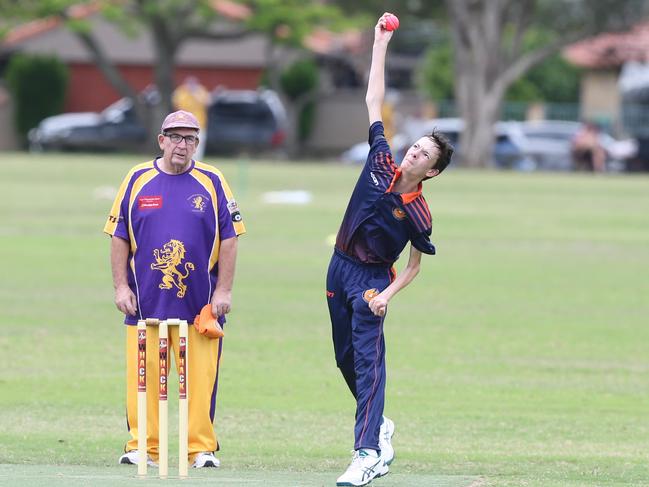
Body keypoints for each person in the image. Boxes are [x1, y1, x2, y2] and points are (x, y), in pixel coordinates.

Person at [326, 13, 453, 487]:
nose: (414, 153)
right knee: (344, 360)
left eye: (424, 155)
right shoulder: (380, 160)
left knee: (368, 359)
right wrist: (380, 44)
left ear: (432, 171)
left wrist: (387, 296)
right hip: (337, 268)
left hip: (372, 281)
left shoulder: (420, 212)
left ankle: (367, 454)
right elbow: (373, 98)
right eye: (415, 146)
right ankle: (378, 426)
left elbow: (416, 265)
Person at [104, 109, 245, 469]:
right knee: (145, 376)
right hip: (146, 301)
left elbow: (230, 239)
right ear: (161, 140)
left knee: (200, 380)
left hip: (201, 302)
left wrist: (224, 292)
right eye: (177, 137)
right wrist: (121, 286)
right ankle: (143, 447)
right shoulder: (136, 178)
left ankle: (199, 449)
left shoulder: (213, 180)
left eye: (191, 139)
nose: (183, 146)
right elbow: (118, 236)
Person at [173, 76, 211, 159]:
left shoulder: (201, 91)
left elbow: (207, 103)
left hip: (199, 123)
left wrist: (195, 94)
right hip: (184, 123)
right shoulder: (181, 91)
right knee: (184, 142)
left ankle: (197, 160)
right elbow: (177, 104)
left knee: (198, 142)